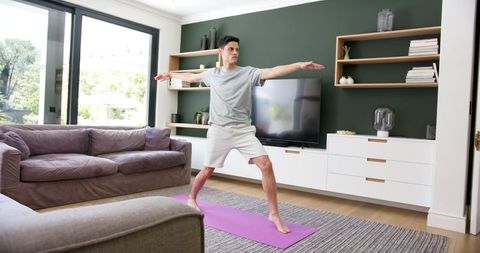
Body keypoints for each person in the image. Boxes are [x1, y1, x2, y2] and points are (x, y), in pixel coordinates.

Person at [155, 35, 324, 233]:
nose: (235, 52)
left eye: (237, 49)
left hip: (243, 130)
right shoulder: (213, 74)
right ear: (221, 52)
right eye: (231, 49)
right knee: (208, 170)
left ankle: (274, 213)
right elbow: (191, 77)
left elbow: (273, 71)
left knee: (266, 165)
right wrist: (169, 75)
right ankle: (192, 198)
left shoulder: (248, 73)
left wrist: (299, 65)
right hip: (219, 130)